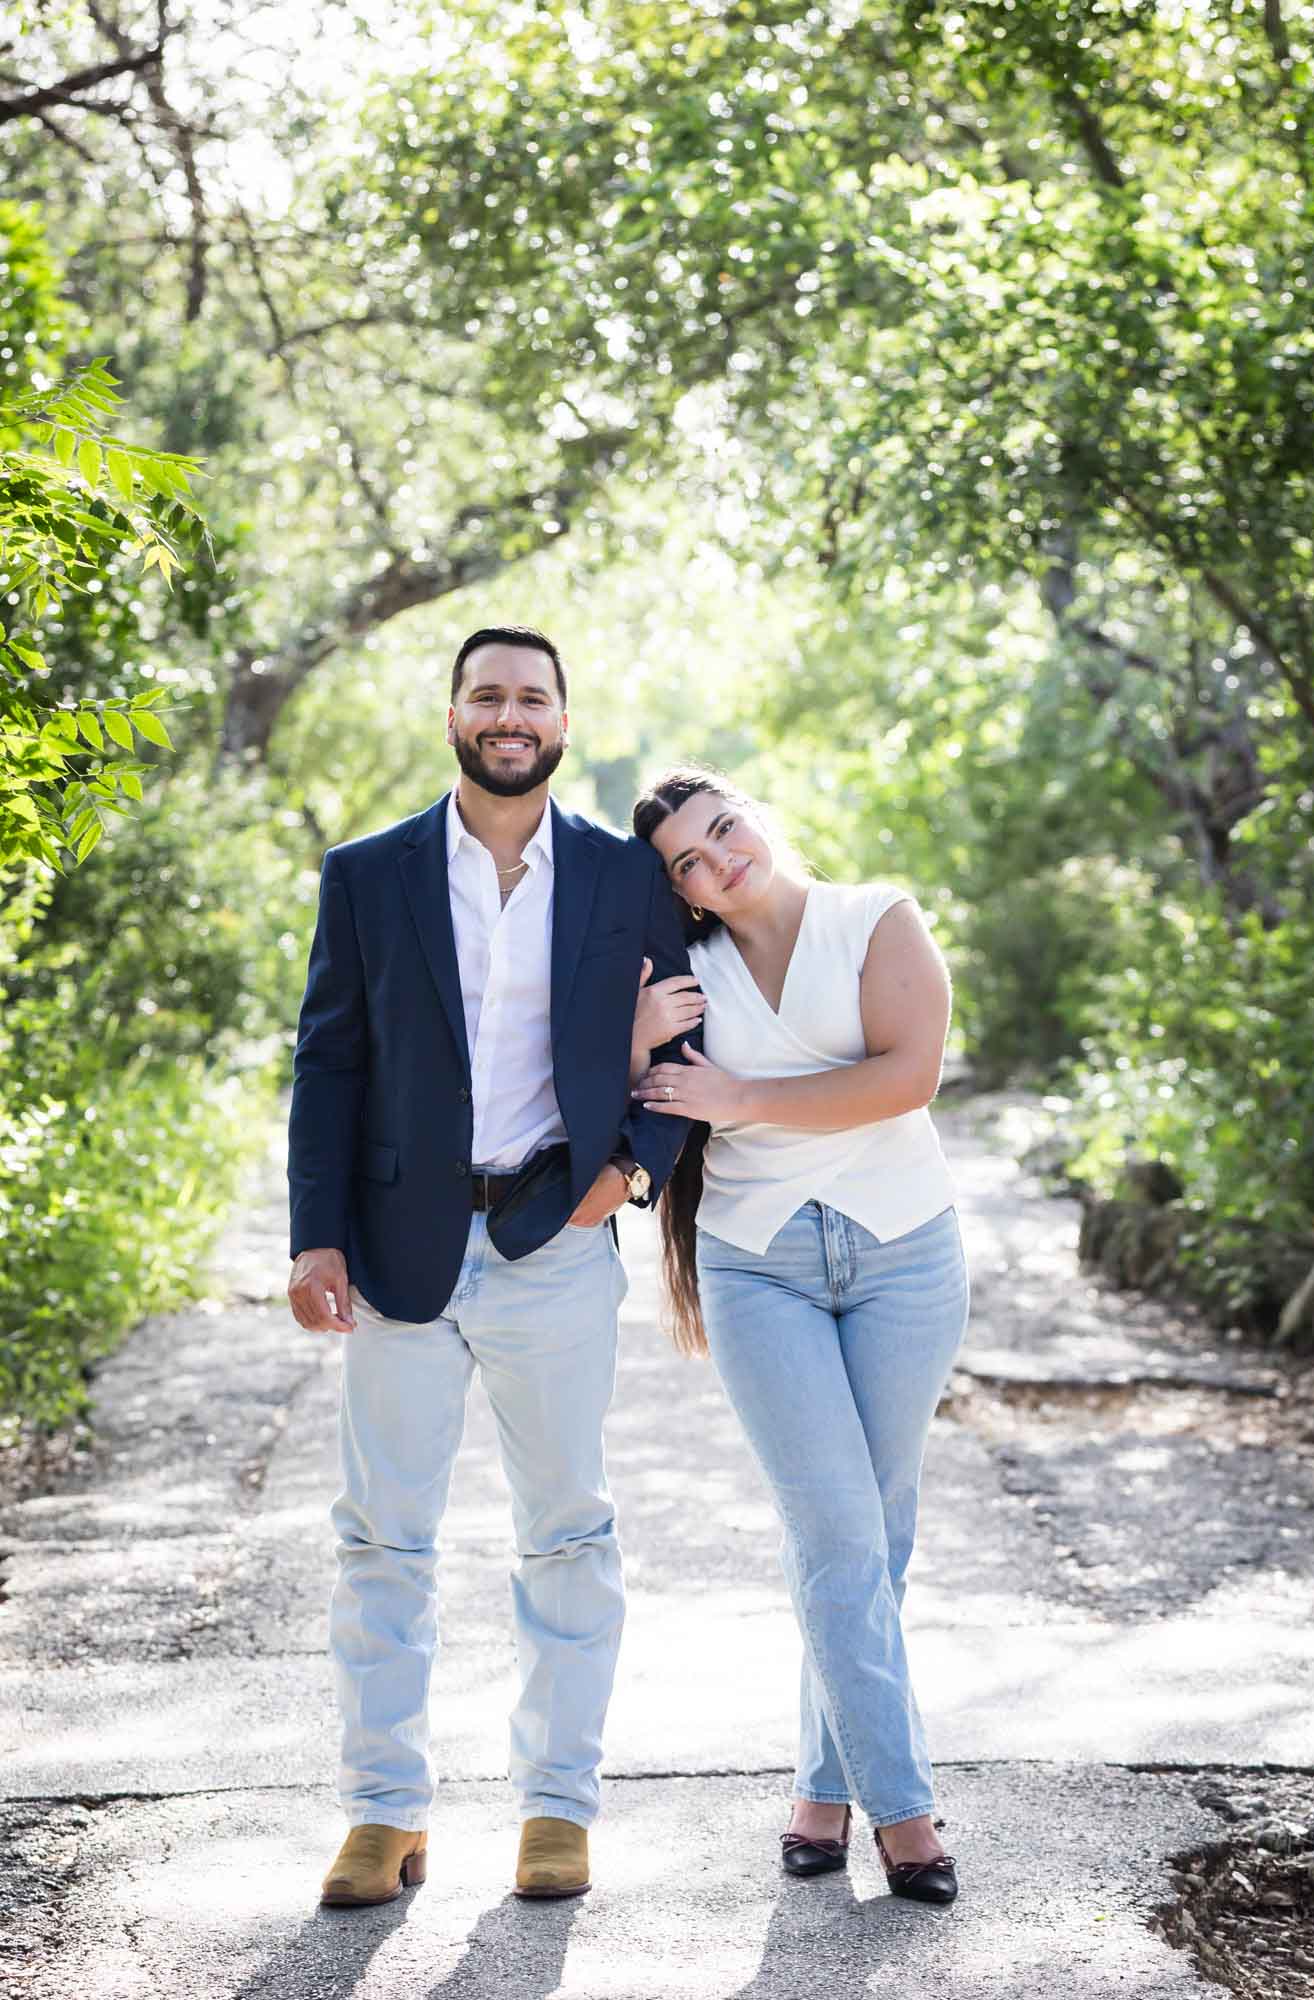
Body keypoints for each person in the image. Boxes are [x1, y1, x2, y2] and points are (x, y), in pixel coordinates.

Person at [286, 626, 690, 1908]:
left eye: (532, 696)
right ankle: (382, 1811)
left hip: (551, 1240)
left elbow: (683, 1044)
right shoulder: (367, 872)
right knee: (382, 1539)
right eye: (487, 694)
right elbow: (329, 1060)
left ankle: (558, 1808)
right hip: (402, 1247)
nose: (508, 714)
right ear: (452, 712)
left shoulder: (629, 877)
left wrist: (625, 1175)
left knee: (567, 1530)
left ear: (563, 721)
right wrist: (315, 1232)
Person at [628, 766, 969, 1906]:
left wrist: (745, 1098)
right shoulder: (687, 975)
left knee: (877, 1532)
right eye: (688, 858)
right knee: (834, 1529)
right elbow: (644, 1100)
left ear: (756, 816)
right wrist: (641, 1045)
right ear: (680, 891)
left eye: (723, 827)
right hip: (754, 1261)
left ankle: (822, 1785)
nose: (718, 856)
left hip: (905, 1253)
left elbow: (906, 1077)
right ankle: (905, 1812)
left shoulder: (877, 919)